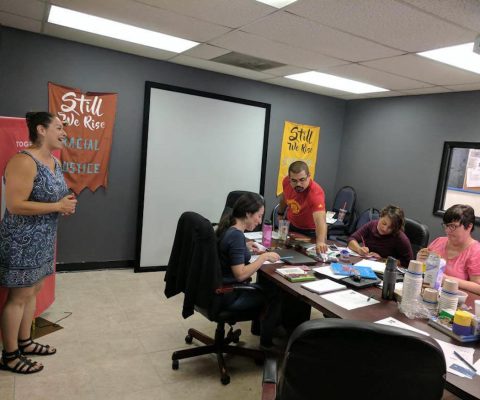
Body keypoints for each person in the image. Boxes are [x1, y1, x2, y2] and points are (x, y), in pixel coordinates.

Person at [0, 112, 77, 374]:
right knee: (18, 297)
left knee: (32, 292)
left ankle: (26, 342)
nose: (64, 132)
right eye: (59, 127)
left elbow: (57, 195)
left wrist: (65, 203)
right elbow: (14, 204)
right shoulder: (24, 161)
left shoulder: (55, 162)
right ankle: (9, 355)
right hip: (21, 241)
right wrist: (57, 205)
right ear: (41, 130)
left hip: (44, 240)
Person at [216, 193, 281, 348]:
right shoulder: (236, 236)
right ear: (247, 214)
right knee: (275, 293)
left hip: (218, 288)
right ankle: (266, 345)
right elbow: (240, 275)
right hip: (229, 294)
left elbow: (228, 252)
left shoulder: (229, 229)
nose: (259, 221)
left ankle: (260, 331)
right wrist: (263, 257)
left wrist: (244, 248)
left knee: (268, 288)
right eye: (258, 216)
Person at [417, 204, 480, 295]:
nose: (447, 230)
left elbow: (478, 287)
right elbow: (425, 271)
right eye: (446, 226)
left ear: (469, 226)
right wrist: (420, 262)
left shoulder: (476, 252)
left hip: (455, 302)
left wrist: (447, 279)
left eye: (453, 226)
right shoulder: (439, 241)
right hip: (428, 294)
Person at [277, 161, 328, 254]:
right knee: (285, 253)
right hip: (292, 225)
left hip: (310, 231)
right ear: (289, 179)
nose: (298, 184)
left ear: (309, 176)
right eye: (294, 180)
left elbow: (320, 220)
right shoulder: (286, 182)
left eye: (302, 179)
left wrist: (320, 242)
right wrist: (280, 214)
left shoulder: (315, 193)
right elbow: (284, 197)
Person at [347, 205, 413, 267]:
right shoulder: (371, 225)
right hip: (367, 263)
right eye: (384, 223)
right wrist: (359, 249)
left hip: (387, 270)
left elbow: (408, 263)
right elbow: (352, 239)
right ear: (380, 216)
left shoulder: (400, 238)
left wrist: (382, 260)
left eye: (390, 227)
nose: (385, 229)